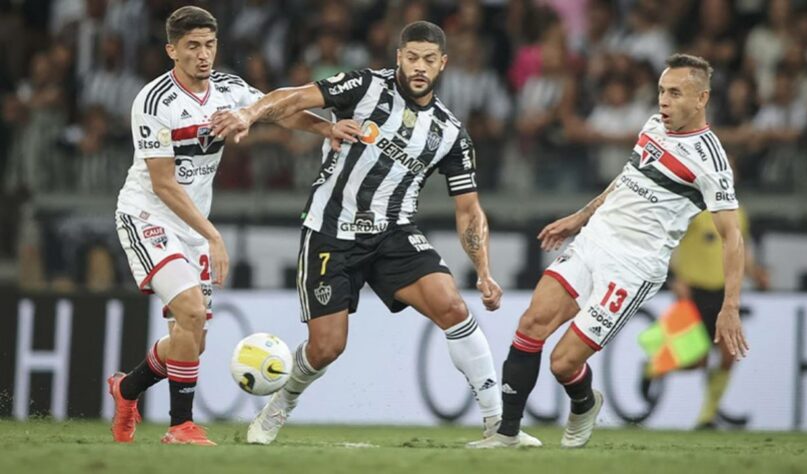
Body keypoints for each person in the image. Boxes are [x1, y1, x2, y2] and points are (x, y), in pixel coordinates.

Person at [211, 21, 539, 447]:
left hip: (393, 233)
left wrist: (484, 271)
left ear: (443, 64)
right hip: (331, 230)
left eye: (429, 59)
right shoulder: (363, 86)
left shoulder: (450, 133)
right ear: (398, 56)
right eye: (411, 57)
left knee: (453, 306)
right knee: (327, 347)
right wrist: (248, 113)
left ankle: (500, 426)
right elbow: (292, 97)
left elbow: (469, 209)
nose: (419, 67)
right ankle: (279, 408)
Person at [468, 53, 749, 449]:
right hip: (594, 242)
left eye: (674, 93)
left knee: (563, 363)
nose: (663, 101)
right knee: (531, 324)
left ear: (701, 98)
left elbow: (732, 236)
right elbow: (628, 178)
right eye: (660, 92)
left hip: (633, 267)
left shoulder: (711, 161)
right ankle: (508, 434)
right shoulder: (653, 126)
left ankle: (584, 404)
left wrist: (731, 305)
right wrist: (582, 216)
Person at [108, 6, 356, 446]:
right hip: (148, 214)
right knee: (189, 311)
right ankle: (181, 426)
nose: (203, 55)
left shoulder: (228, 88)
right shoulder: (153, 102)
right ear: (172, 50)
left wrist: (326, 130)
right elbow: (164, 184)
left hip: (194, 223)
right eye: (192, 47)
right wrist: (213, 235)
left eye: (209, 45)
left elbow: (275, 111)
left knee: (191, 341)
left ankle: (126, 389)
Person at [664, 206, 769, 430]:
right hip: (693, 293)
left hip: (723, 294)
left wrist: (754, 273)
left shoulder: (738, 213)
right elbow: (666, 242)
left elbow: (740, 250)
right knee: (695, 361)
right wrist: (674, 279)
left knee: (729, 354)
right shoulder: (691, 209)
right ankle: (651, 369)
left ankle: (707, 416)